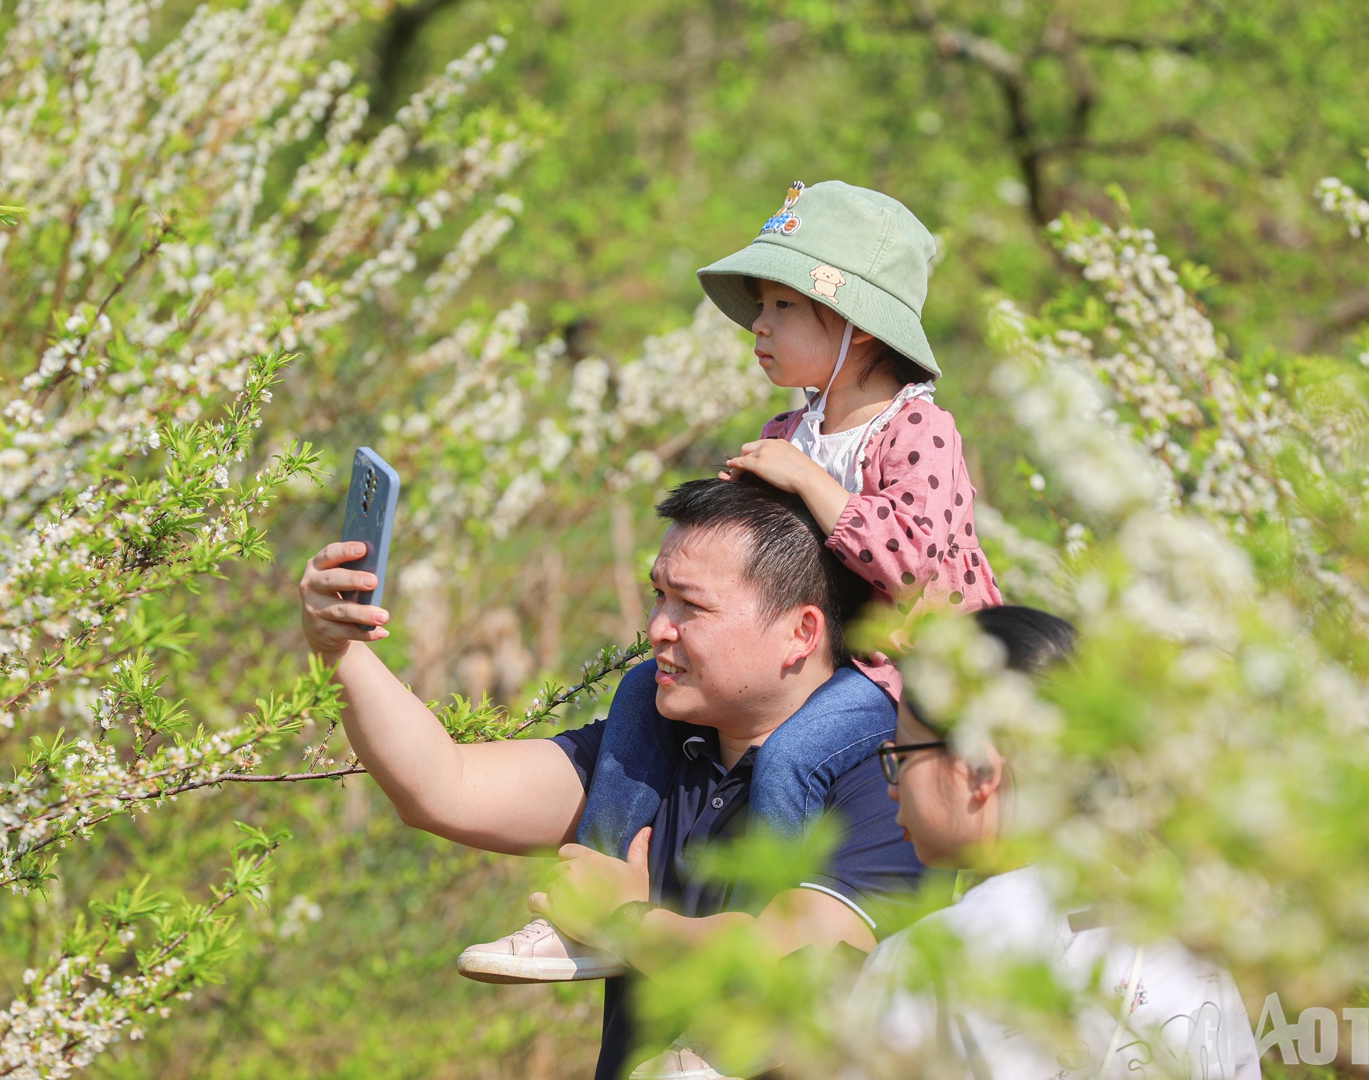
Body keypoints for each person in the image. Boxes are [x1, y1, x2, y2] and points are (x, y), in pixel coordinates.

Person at [467, 179, 1002, 982]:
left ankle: (759, 950)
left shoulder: (917, 429)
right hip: (820, 658)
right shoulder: (790, 430)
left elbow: (917, 567)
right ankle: (594, 901)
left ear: (856, 325)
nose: (760, 325)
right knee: (639, 694)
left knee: (791, 756)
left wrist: (810, 484)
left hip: (902, 671)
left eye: (783, 306)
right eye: (760, 306)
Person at [299, 477, 928, 1080]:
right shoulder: (659, 747)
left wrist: (623, 919)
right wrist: (340, 649)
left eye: (692, 605)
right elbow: (444, 786)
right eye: (659, 595)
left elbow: (785, 963)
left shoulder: (890, 778)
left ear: (801, 632)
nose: (658, 628)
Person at [849, 606, 1261, 1079]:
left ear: (979, 769)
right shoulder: (1185, 932)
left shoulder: (925, 960)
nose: (893, 786)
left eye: (902, 754)